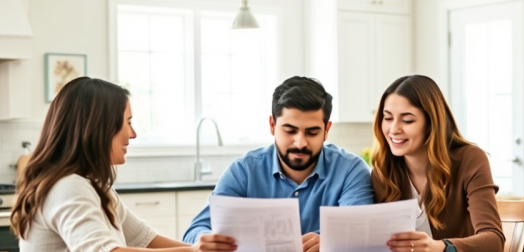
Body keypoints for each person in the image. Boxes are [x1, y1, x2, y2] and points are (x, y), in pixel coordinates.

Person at [10, 77, 221, 252]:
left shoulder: (95, 188)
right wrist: (193, 250)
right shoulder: (69, 187)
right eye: (128, 122)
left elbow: (145, 239)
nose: (133, 134)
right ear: (99, 128)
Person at [183, 76, 374, 252]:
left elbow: (359, 231)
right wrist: (207, 239)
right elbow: (194, 231)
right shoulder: (244, 170)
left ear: (327, 130)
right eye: (290, 130)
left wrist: (330, 240)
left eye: (312, 132)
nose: (300, 143)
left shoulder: (351, 170)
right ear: (272, 125)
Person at [370, 75, 505, 252]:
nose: (394, 129)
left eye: (407, 120)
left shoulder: (469, 159)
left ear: (431, 123)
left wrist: (441, 247)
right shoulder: (383, 172)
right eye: (387, 118)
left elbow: (494, 240)